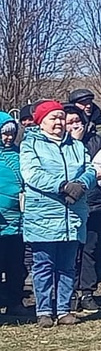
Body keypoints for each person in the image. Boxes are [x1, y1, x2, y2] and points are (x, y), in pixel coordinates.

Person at [19, 100, 96, 327]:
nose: (59, 122)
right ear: (41, 122)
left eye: (61, 118)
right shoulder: (30, 144)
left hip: (72, 214)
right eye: (53, 118)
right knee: (43, 265)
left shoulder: (77, 145)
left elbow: (90, 168)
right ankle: (43, 310)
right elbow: (32, 174)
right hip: (43, 215)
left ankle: (64, 310)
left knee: (67, 265)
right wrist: (62, 186)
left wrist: (81, 185)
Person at [64, 105, 101, 312]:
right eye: (69, 121)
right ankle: (69, 293)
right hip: (69, 204)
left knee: (91, 249)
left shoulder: (97, 140)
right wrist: (75, 141)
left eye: (77, 120)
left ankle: (88, 292)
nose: (75, 125)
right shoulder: (58, 146)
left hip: (95, 202)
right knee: (71, 251)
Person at [0, 114, 25, 315]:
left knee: (16, 266)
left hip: (19, 221)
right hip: (1, 221)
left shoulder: (20, 153)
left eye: (11, 134)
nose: (8, 138)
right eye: (4, 134)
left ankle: (15, 302)